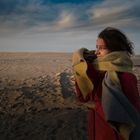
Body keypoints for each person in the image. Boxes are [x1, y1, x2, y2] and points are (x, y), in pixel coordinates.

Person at [72, 27, 140, 140]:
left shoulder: (126, 77)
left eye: (102, 48)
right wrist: (81, 79)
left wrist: (95, 106)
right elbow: (84, 99)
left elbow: (129, 116)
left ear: (115, 50)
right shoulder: (96, 70)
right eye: (96, 47)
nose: (97, 52)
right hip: (96, 132)